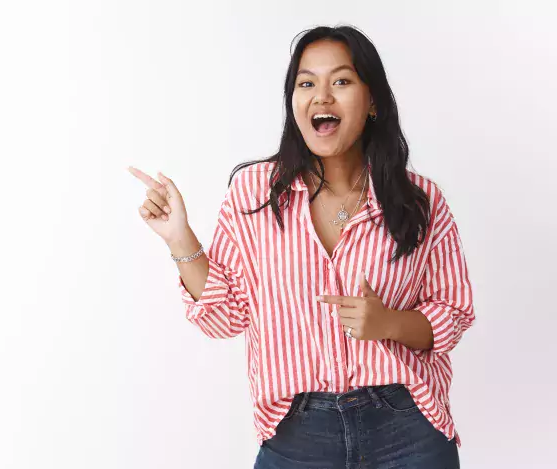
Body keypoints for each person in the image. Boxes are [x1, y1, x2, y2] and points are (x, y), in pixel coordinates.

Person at [129, 24, 475, 469]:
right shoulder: (253, 194)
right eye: (306, 83)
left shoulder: (419, 201)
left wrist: (389, 322)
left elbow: (452, 316)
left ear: (372, 103)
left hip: (405, 431)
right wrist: (180, 237)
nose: (321, 96)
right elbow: (224, 317)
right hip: (297, 435)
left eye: (342, 81)